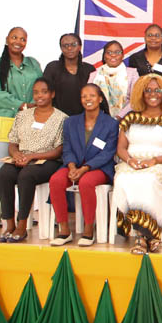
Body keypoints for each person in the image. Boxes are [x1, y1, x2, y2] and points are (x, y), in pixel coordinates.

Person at [113, 74, 162, 254]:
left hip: (160, 164)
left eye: (157, 90)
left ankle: (143, 236)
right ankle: (149, 236)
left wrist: (154, 161)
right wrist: (130, 160)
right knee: (122, 179)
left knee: (147, 180)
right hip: (131, 162)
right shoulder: (130, 118)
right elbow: (121, 148)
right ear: (140, 94)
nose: (153, 94)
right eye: (148, 90)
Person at [0, 78, 66, 243]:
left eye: (44, 91)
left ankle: (22, 226)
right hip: (21, 158)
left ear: (52, 94)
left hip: (46, 160)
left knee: (26, 176)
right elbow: (13, 142)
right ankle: (9, 225)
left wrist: (32, 157)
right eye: (35, 92)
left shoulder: (62, 118)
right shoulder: (22, 115)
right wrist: (16, 155)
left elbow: (58, 151)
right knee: (3, 174)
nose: (39, 95)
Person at [48, 84, 118, 246]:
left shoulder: (111, 123)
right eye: (84, 96)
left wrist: (85, 168)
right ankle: (64, 230)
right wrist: (72, 167)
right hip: (74, 165)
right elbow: (67, 149)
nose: (88, 99)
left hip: (99, 167)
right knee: (56, 181)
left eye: (92, 96)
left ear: (100, 99)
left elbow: (107, 153)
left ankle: (88, 230)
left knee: (86, 182)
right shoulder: (70, 122)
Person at [0, 27, 42, 228]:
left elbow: (41, 89)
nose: (19, 41)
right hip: (3, 121)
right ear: (7, 39)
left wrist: (35, 107)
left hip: (30, 122)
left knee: (28, 167)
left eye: (23, 39)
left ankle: (24, 213)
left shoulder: (33, 64)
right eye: (15, 37)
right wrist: (22, 105)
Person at [42, 34, 96, 117]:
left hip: (83, 119)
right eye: (65, 45)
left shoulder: (89, 69)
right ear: (61, 48)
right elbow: (45, 94)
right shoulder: (52, 67)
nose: (69, 48)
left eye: (73, 44)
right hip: (56, 118)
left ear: (80, 47)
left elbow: (94, 97)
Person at [88, 40, 139, 119]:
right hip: (99, 120)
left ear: (123, 55)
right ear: (104, 56)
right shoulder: (94, 75)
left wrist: (118, 117)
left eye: (117, 52)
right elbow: (88, 99)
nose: (113, 55)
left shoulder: (133, 73)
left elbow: (135, 100)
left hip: (126, 120)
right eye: (109, 52)